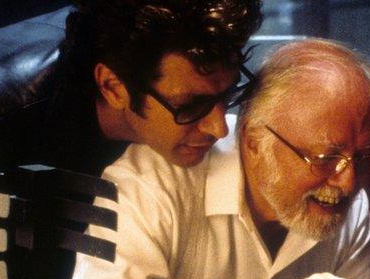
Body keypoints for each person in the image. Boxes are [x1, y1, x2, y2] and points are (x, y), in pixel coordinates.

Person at [58, 39, 370, 279]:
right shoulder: (148, 182)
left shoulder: (343, 202)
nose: (349, 182)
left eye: (364, 155)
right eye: (323, 156)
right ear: (252, 141)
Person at [39, 0, 263, 175]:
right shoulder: (34, 156)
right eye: (190, 106)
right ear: (114, 88)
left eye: (227, 95)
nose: (219, 129)